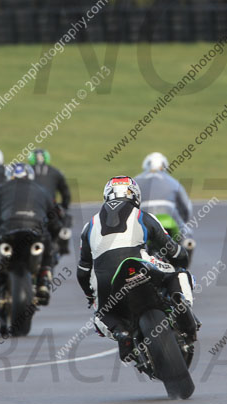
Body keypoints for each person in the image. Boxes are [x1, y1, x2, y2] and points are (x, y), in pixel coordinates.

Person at [77, 176, 198, 361]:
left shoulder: (89, 226)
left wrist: (89, 295)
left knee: (100, 314)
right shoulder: (142, 215)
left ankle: (121, 334)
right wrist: (182, 256)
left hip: (104, 279)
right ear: (135, 195)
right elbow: (172, 250)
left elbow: (83, 270)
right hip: (139, 264)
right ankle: (181, 302)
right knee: (180, 274)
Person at [0, 163, 61, 305]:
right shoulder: (42, 190)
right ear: (30, 176)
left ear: (8, 177)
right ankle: (44, 280)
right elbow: (55, 222)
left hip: (9, 228)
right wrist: (53, 239)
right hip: (36, 230)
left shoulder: (1, 189)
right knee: (50, 247)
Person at [134, 152, 194, 265]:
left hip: (145, 217)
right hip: (169, 216)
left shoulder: (135, 181)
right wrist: (185, 221)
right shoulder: (173, 181)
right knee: (186, 234)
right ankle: (186, 256)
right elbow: (186, 207)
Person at [28, 149, 72, 255]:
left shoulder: (27, 172)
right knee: (66, 218)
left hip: (31, 208)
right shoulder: (56, 172)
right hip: (51, 209)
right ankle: (63, 241)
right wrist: (64, 207)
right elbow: (66, 194)